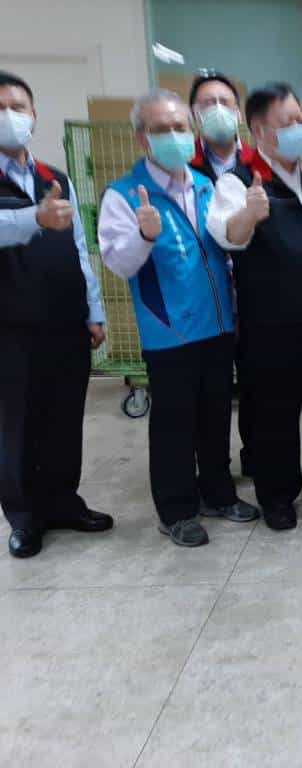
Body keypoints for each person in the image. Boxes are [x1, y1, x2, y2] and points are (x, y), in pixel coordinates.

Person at [99, 89, 258, 548]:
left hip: (217, 322)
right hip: (169, 331)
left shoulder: (206, 186)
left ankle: (217, 494)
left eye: (180, 127)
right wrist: (144, 235)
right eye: (161, 129)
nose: (173, 136)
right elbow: (119, 262)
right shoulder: (124, 195)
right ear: (141, 138)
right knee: (174, 424)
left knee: (214, 417)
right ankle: (176, 510)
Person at [206, 83, 302, 530]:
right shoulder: (238, 181)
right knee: (276, 411)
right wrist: (248, 214)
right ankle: (278, 494)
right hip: (269, 322)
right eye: (286, 122)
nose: (297, 129)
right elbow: (226, 235)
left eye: (299, 120)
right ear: (258, 131)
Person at [0, 71, 113, 558]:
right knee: (17, 422)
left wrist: (93, 309)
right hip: (12, 326)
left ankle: (63, 501)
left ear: (34, 114)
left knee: (65, 417)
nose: (10, 116)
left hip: (65, 319)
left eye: (18, 106)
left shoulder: (55, 178)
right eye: (1, 108)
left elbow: (79, 246)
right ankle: (24, 517)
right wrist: (33, 218)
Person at [188, 69, 256, 478]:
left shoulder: (258, 165)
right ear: (194, 115)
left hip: (255, 295)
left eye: (225, 103)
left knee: (256, 383)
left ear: (239, 113)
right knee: (209, 390)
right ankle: (212, 471)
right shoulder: (185, 169)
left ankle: (255, 455)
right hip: (204, 297)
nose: (217, 110)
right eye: (207, 104)